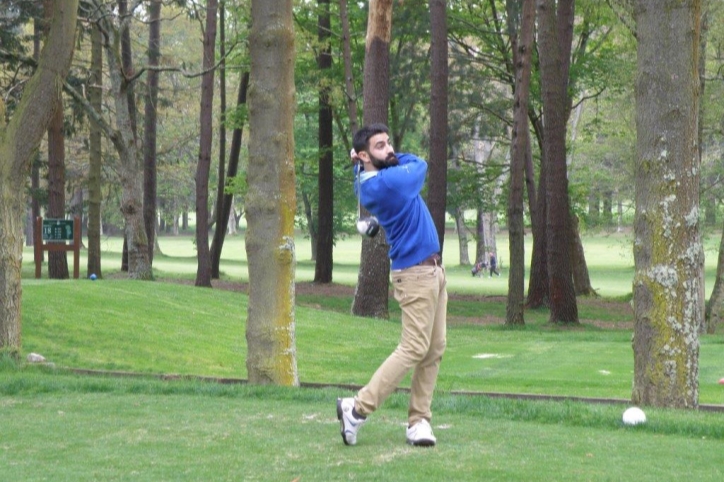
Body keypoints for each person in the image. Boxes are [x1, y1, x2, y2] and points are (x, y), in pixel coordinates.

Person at [337, 123, 447, 447]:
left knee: (434, 347)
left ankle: (418, 422)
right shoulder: (385, 183)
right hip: (415, 275)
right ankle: (357, 409)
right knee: (414, 347)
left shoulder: (377, 177)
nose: (390, 150)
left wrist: (379, 156)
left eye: (389, 143)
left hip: (432, 271)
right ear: (363, 155)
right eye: (380, 146)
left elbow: (402, 165)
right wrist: (398, 158)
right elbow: (421, 165)